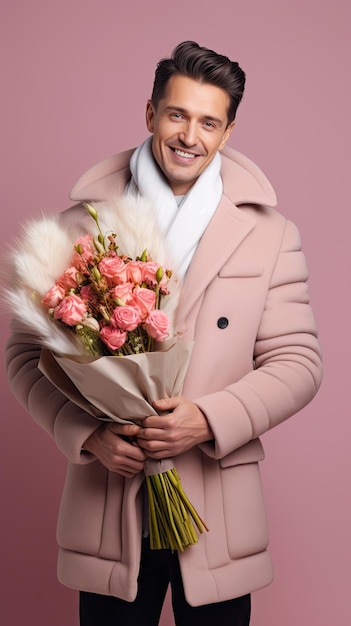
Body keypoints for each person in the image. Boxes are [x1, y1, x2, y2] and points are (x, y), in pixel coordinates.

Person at [5, 41, 323, 626]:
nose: (189, 136)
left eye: (209, 122)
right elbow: (25, 357)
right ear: (150, 113)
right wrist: (86, 433)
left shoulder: (269, 233)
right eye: (177, 115)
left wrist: (207, 419)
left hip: (215, 505)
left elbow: (299, 362)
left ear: (227, 132)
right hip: (109, 496)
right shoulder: (78, 225)